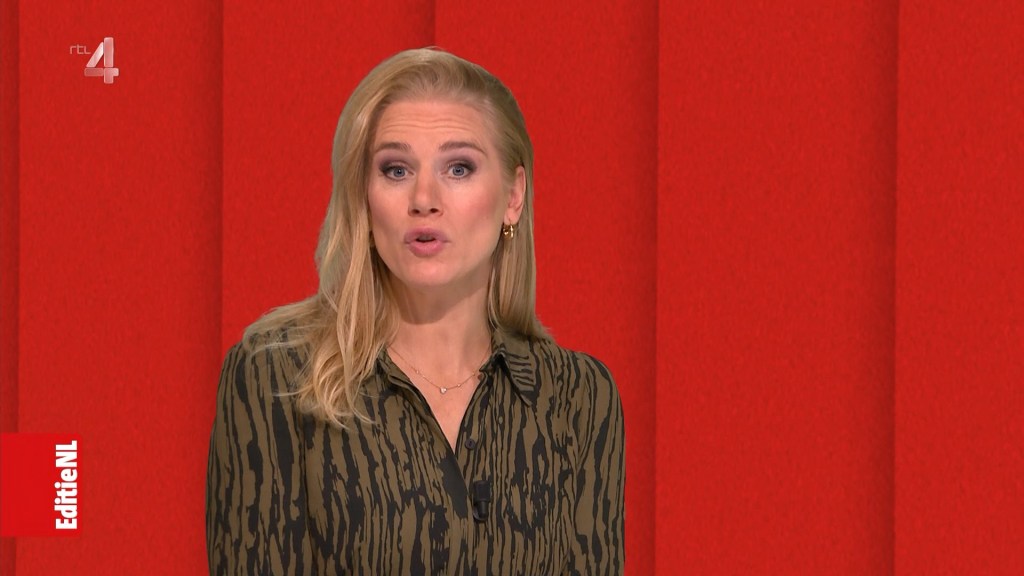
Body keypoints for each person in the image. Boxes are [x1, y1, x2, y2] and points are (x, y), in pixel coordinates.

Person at [205, 47, 625, 575]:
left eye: (459, 167)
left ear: (513, 196)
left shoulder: (581, 397)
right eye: (396, 169)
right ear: (364, 196)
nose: (424, 198)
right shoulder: (275, 376)